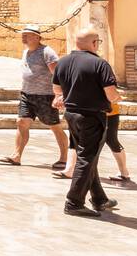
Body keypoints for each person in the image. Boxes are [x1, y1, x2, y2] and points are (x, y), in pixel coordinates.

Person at [52, 28, 121, 216]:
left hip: (71, 115)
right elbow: (111, 94)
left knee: (88, 157)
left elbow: (57, 89)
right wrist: (117, 98)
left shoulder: (63, 61)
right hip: (92, 117)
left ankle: (100, 199)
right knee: (87, 158)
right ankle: (74, 202)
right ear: (94, 43)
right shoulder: (100, 64)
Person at [0, 25, 67, 169]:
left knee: (55, 127)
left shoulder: (47, 52)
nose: (23, 37)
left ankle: (64, 158)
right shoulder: (26, 52)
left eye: (27, 35)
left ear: (37, 37)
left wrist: (59, 95)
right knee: (21, 122)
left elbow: (58, 74)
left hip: (45, 96)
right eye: (23, 34)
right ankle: (16, 156)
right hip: (26, 95)